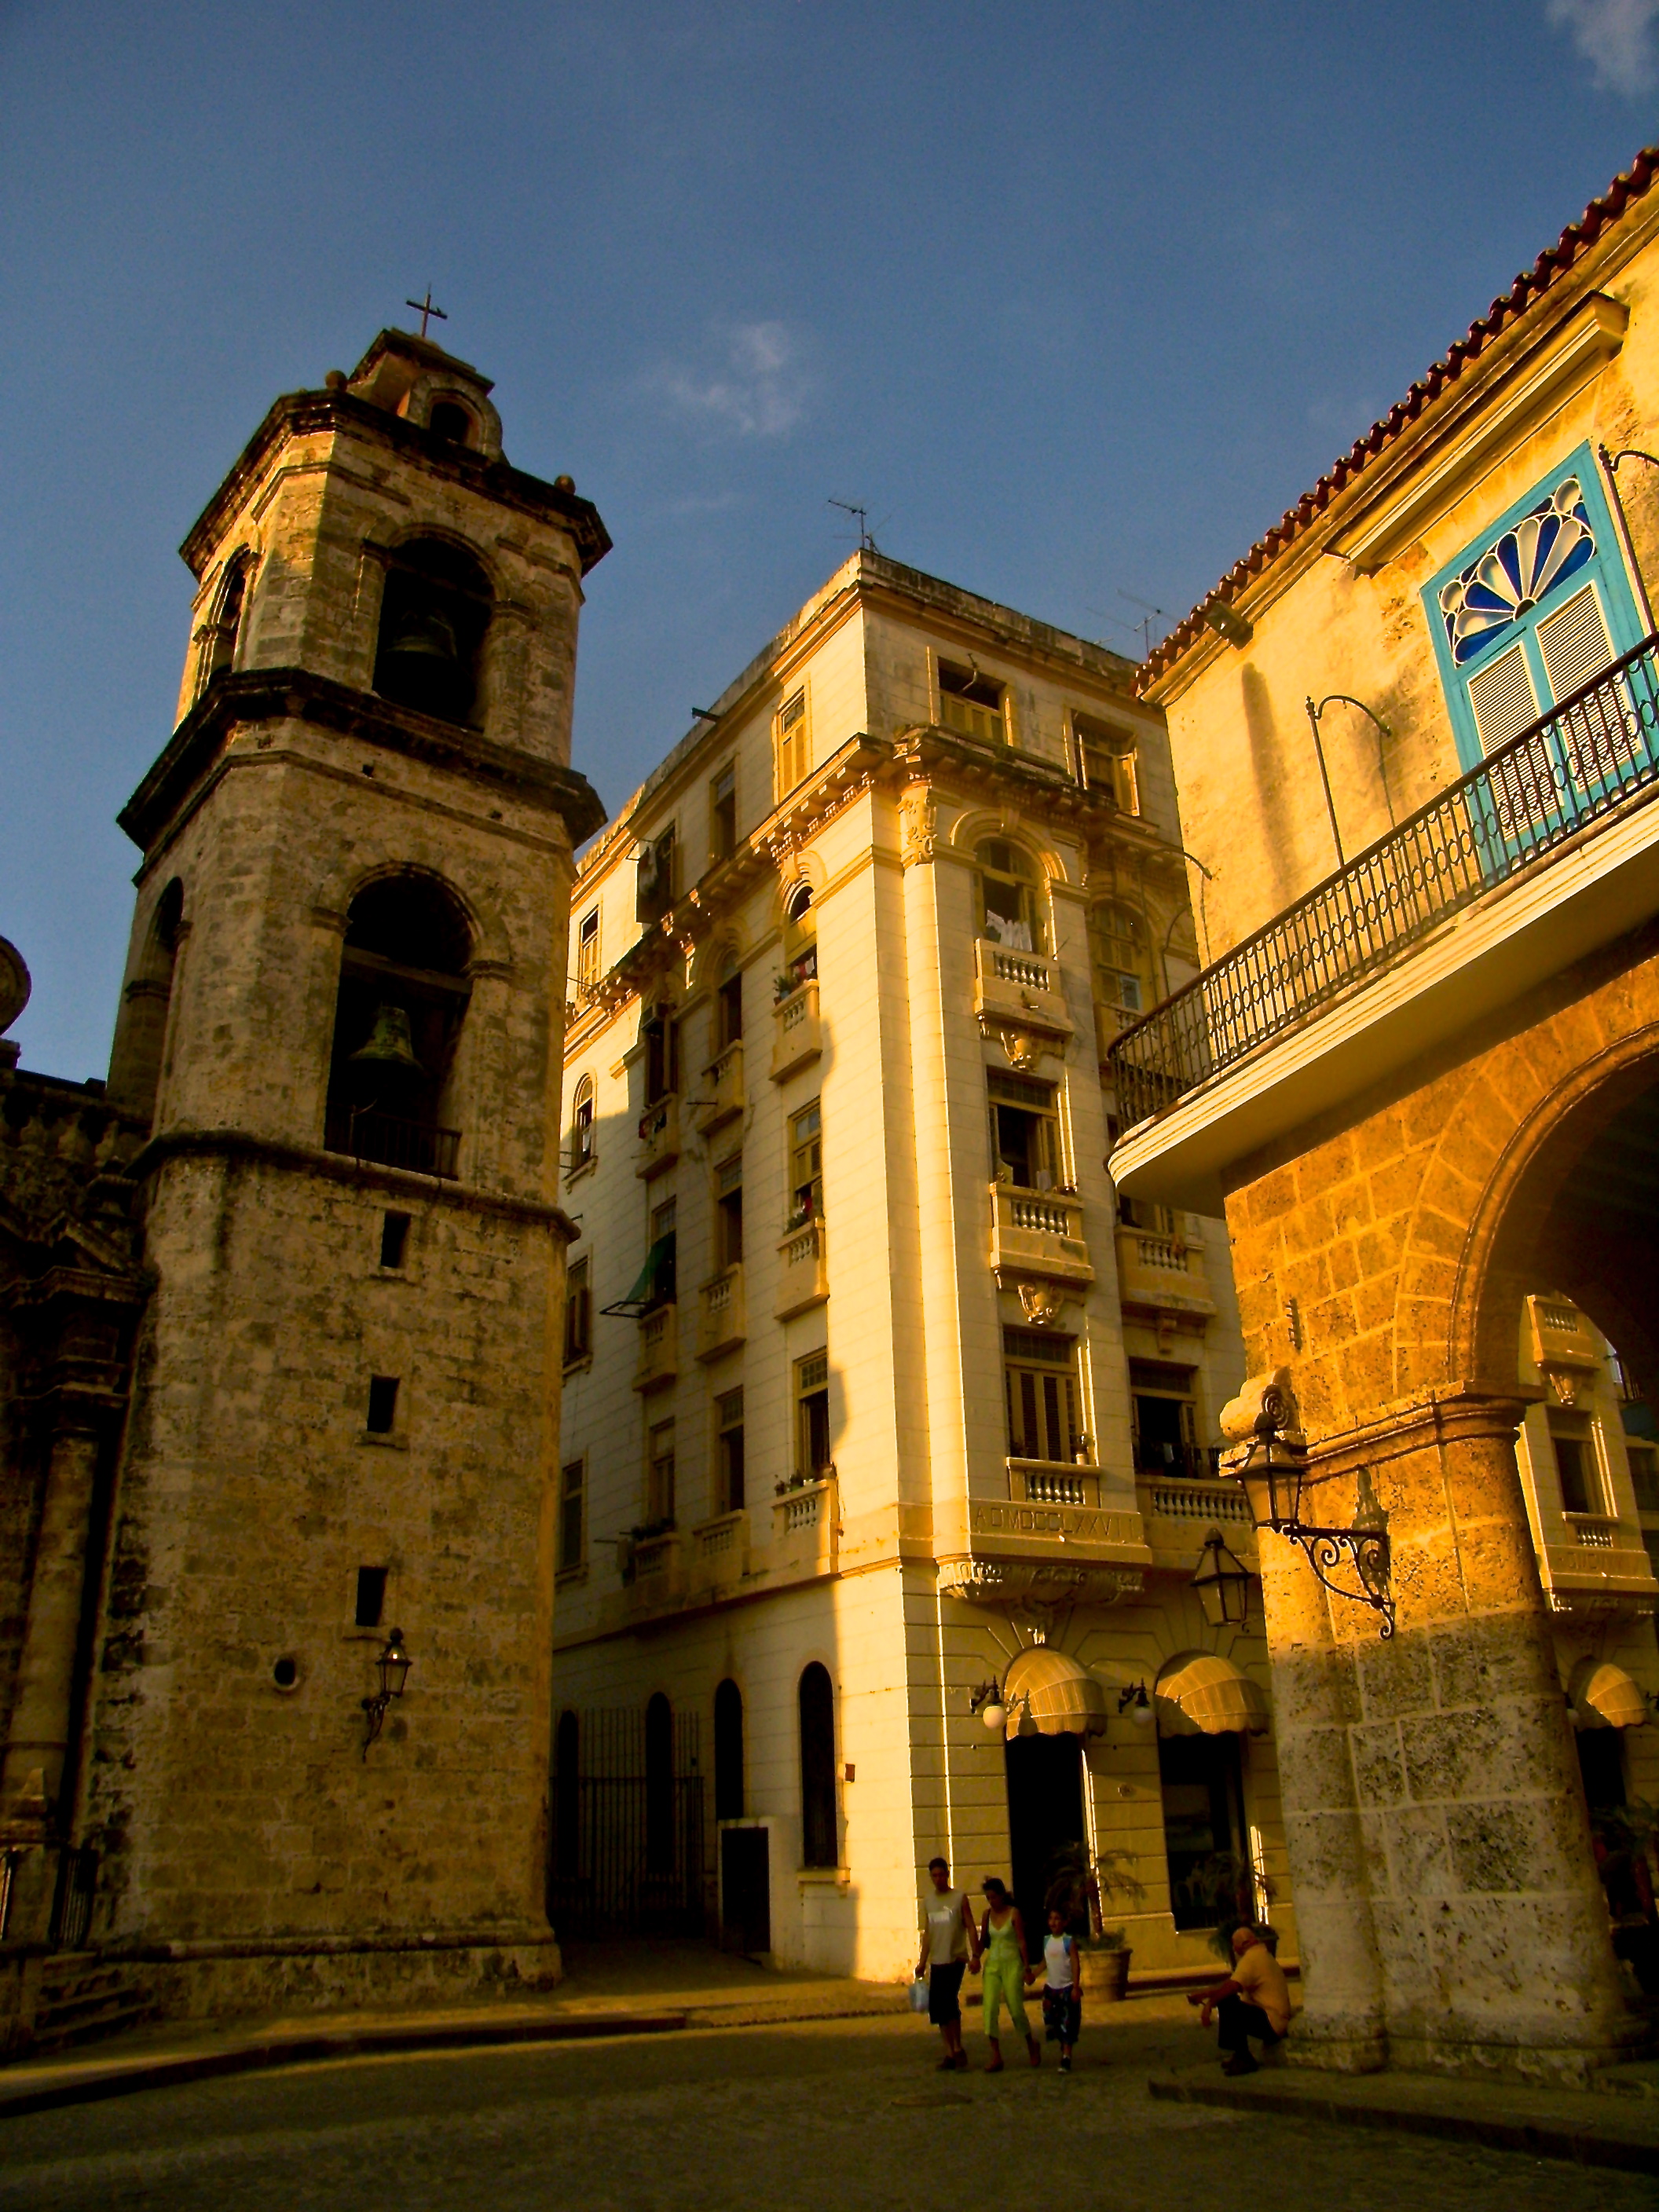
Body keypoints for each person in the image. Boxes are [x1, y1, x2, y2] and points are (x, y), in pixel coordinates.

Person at [1187, 1923, 1291, 2075]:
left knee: (1228, 2003)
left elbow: (1232, 1987)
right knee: (1231, 2001)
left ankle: (1244, 2058)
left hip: (1273, 2022)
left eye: (1234, 1945)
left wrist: (1210, 2004)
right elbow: (1231, 1982)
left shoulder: (1252, 1959)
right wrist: (1203, 1994)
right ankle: (1239, 2054)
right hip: (1275, 2019)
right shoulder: (1260, 1954)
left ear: (1241, 1945)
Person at [915, 1856, 978, 2070]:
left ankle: (958, 2047)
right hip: (937, 1959)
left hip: (955, 1957)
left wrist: (975, 1955)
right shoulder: (929, 1901)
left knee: (950, 2002)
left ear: (947, 1875)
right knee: (939, 2007)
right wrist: (922, 1961)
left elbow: (970, 1926)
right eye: (934, 1875)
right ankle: (949, 2052)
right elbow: (928, 1933)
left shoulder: (959, 1898)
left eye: (941, 1875)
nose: (938, 1879)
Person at [976, 1876, 1042, 2071]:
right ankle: (996, 2055)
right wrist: (975, 1957)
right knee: (989, 2009)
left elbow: (1022, 1941)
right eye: (988, 1898)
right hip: (993, 1966)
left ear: (1002, 1896)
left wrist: (1027, 1968)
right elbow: (983, 1940)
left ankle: (1031, 2044)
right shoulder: (987, 1915)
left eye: (994, 1897)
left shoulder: (1014, 1913)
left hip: (1012, 1964)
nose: (991, 1901)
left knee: (1015, 2007)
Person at [1040, 1905, 1082, 2071]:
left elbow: (1075, 1964)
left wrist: (1076, 1987)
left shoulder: (1068, 1941)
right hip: (1051, 1989)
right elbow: (1045, 1961)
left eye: (1057, 1919)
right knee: (1053, 2021)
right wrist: (1032, 1974)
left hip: (1066, 1989)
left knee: (1068, 2023)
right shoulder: (1046, 1940)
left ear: (1064, 1922)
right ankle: (1056, 2036)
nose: (1053, 1922)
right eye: (1051, 1918)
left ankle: (1066, 2057)